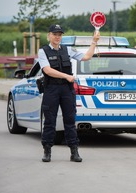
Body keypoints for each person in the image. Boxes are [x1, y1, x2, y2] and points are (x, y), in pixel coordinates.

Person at [38, 24, 100, 162]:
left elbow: (87, 57)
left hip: (67, 90)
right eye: (55, 34)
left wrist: (94, 42)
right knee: (49, 121)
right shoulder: (43, 51)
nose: (57, 37)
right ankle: (47, 151)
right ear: (49, 35)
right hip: (52, 89)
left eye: (59, 34)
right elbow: (47, 70)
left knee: (70, 121)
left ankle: (74, 151)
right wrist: (66, 76)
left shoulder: (67, 50)